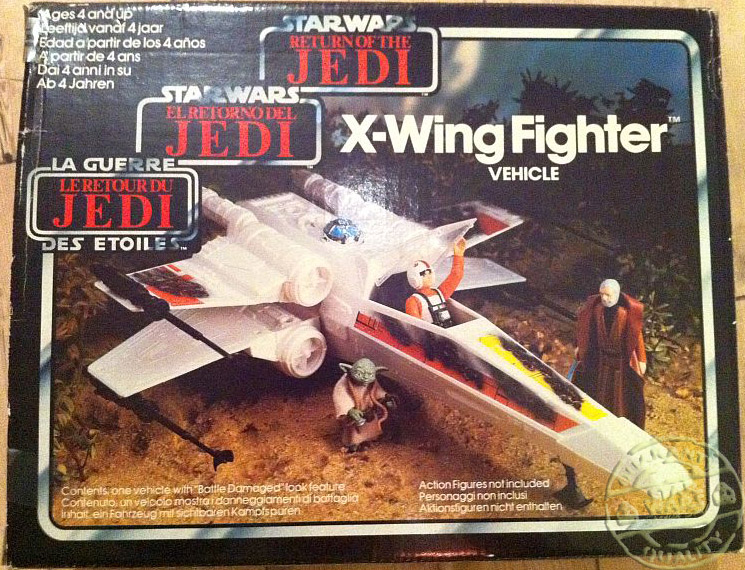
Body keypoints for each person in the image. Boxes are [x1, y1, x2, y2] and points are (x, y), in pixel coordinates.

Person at [573, 279, 647, 428]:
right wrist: (582, 348)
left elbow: (636, 337)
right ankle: (598, 419)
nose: (605, 298)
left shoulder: (625, 315)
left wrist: (641, 359)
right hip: (602, 361)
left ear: (617, 295)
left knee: (620, 397)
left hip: (620, 364)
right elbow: (589, 333)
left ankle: (619, 423)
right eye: (602, 294)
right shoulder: (597, 311)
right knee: (598, 392)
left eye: (608, 295)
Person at [333, 358, 396, 452]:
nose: (365, 378)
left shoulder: (372, 382)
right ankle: (353, 445)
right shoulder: (343, 384)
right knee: (354, 431)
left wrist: (386, 397)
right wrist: (349, 410)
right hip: (355, 412)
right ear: (349, 370)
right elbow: (341, 396)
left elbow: (378, 391)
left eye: (369, 375)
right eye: (360, 374)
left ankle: (369, 440)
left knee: (371, 428)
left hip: (368, 409)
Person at [405, 237, 467, 328]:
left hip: (448, 331)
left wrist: (458, 255)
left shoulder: (440, 293)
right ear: (414, 279)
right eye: (424, 274)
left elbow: (456, 275)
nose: (429, 276)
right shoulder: (413, 301)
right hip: (432, 335)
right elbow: (416, 328)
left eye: (430, 272)